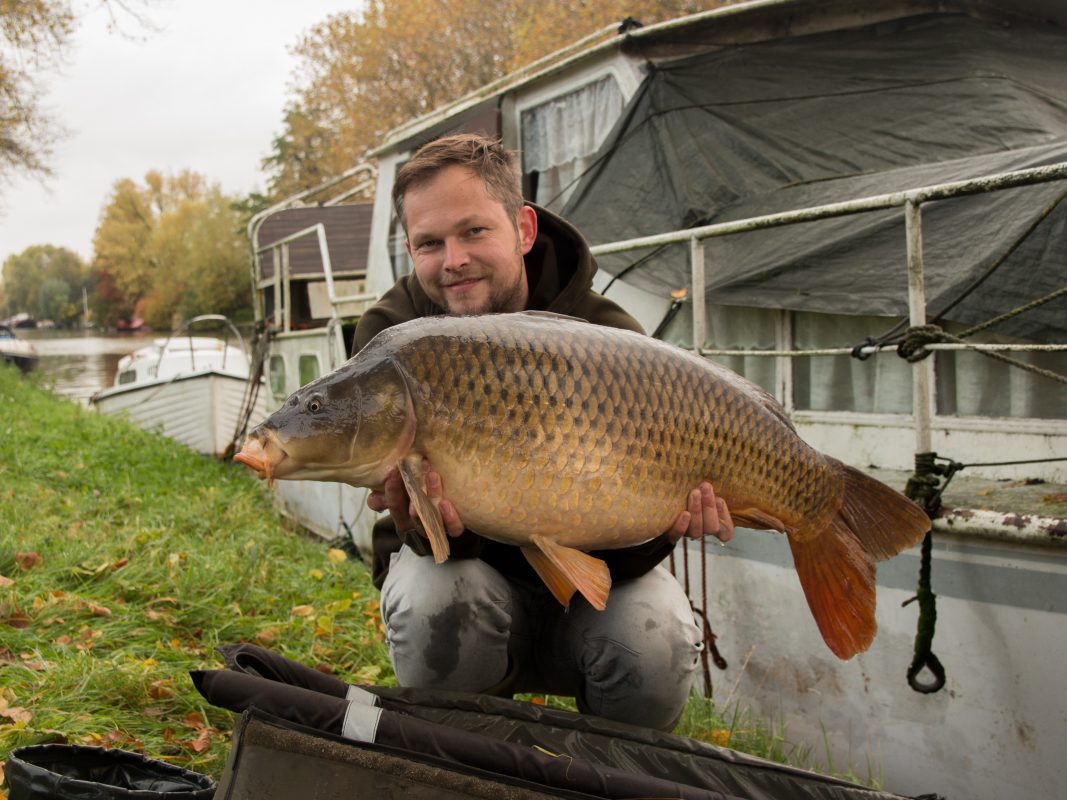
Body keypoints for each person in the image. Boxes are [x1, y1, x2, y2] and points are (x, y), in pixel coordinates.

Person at [352, 133, 733, 731]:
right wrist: (425, 520)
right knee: (436, 600)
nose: (453, 259)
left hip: (594, 598)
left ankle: (612, 777)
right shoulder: (395, 335)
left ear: (524, 230)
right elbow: (419, 532)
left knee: (657, 630)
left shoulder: (610, 336)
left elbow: (629, 562)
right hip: (464, 586)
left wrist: (669, 520)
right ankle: (466, 769)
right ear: (410, 248)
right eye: (430, 242)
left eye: (474, 231)